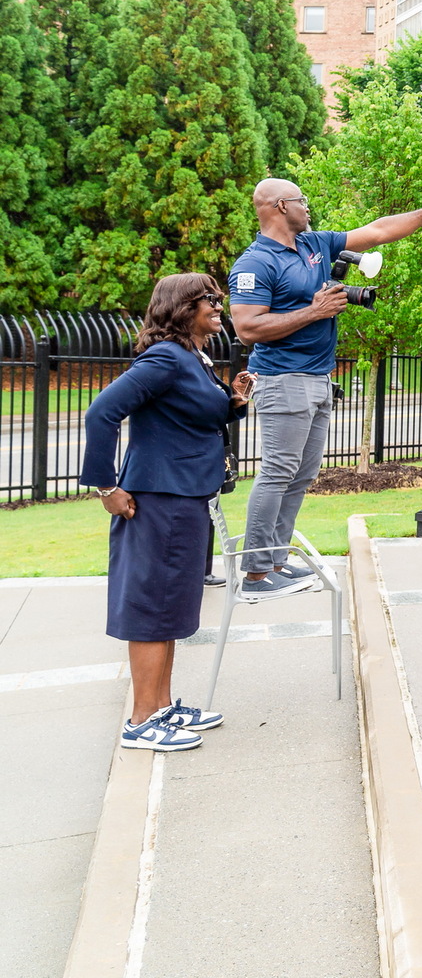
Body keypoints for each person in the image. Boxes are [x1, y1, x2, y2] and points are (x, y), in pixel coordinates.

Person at [228, 178, 422, 596]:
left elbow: (377, 231)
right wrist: (314, 311)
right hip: (283, 379)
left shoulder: (314, 244)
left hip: (318, 379)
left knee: (301, 476)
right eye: (302, 200)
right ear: (281, 206)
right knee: (277, 473)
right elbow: (247, 328)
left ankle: (276, 560)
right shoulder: (255, 262)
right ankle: (255, 575)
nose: (308, 207)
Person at [82, 274, 252, 751]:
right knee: (152, 606)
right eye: (208, 299)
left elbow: (191, 415)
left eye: (218, 298)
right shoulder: (165, 358)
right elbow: (101, 413)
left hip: (184, 497)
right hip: (159, 500)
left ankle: (161, 707)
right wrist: (107, 486)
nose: (218, 306)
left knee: (170, 605)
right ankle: (141, 721)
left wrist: (233, 401)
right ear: (181, 308)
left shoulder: (193, 358)